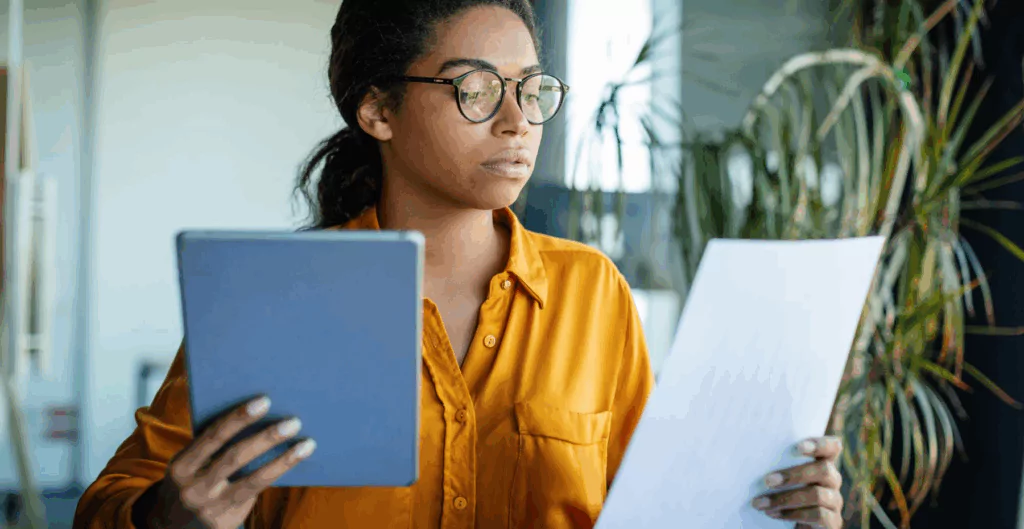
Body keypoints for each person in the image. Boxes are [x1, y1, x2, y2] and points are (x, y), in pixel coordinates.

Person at [72, 1, 846, 528]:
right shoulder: (274, 296)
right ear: (376, 109)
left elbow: (654, 507)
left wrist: (769, 504)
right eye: (475, 89)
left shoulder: (592, 292)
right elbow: (114, 500)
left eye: (531, 89)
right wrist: (169, 514)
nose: (517, 122)